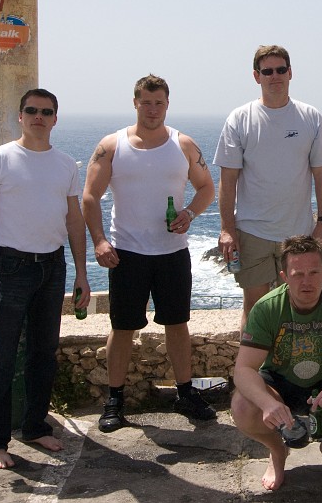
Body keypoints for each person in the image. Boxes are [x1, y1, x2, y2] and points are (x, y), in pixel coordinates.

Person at [0, 89, 90, 469]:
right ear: (20, 116)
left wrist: (82, 272)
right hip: (11, 266)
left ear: (55, 118)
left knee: (42, 353)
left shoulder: (66, 164)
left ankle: (35, 426)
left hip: (52, 266)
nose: (39, 117)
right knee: (1, 356)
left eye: (46, 112)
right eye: (31, 111)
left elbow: (74, 220)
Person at [82, 74, 216, 432]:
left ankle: (185, 393)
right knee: (123, 328)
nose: (152, 109)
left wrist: (189, 213)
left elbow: (206, 188)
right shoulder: (112, 145)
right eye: (146, 102)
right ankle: (115, 400)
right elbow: (90, 196)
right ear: (135, 103)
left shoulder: (183, 144)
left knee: (177, 324)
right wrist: (98, 240)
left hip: (172, 253)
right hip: (126, 253)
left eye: (159, 102)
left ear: (167, 105)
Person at [230, 235, 322, 491]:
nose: (307, 281)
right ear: (284, 276)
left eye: (314, 272)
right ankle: (278, 451)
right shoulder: (267, 308)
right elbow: (243, 369)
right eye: (298, 274)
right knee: (242, 407)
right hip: (279, 383)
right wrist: (268, 404)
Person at [214, 45, 322, 329]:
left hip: (298, 232)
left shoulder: (310, 117)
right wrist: (227, 228)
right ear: (257, 76)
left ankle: (294, 371)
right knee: (255, 308)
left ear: (290, 72)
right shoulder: (239, 118)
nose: (275, 76)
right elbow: (228, 179)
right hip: (252, 231)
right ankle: (252, 371)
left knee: (302, 305)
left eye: (280, 69)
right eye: (267, 71)